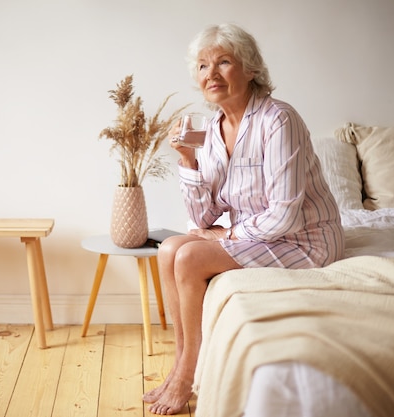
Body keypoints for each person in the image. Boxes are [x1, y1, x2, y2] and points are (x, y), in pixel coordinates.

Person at [143, 23, 345, 415]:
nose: (210, 74)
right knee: (169, 249)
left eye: (223, 62)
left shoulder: (278, 120)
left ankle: (188, 374)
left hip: (305, 239)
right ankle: (181, 360)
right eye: (202, 66)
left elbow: (285, 216)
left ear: (250, 68)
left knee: (189, 257)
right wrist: (188, 161)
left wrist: (225, 234)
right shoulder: (213, 133)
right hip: (259, 235)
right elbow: (204, 217)